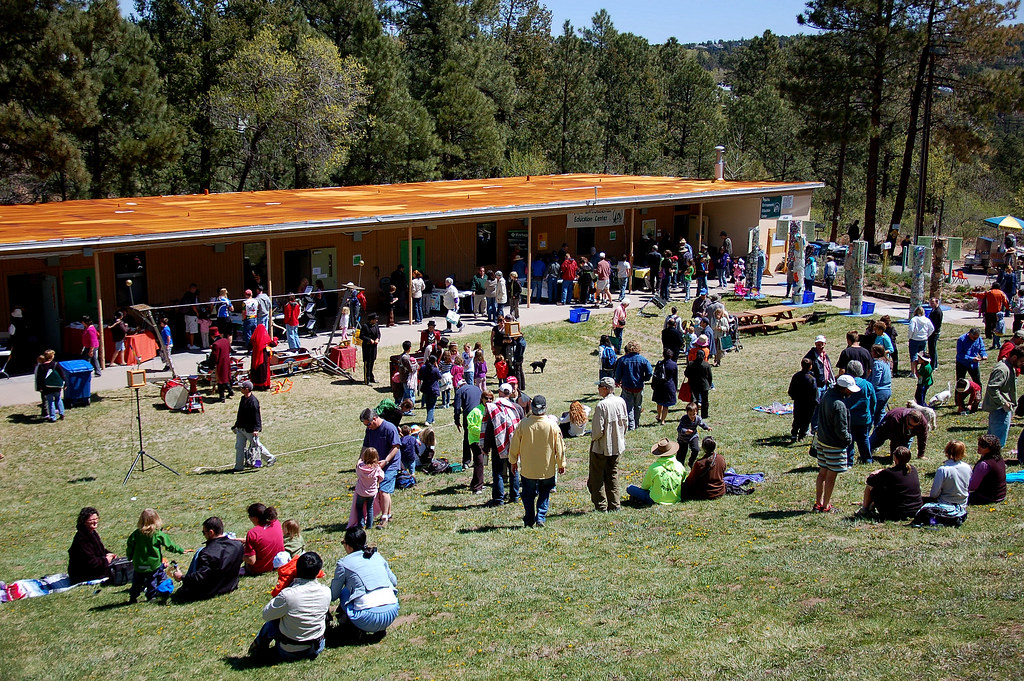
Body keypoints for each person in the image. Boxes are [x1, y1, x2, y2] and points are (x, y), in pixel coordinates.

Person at [248, 552, 330, 662]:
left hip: (289, 651)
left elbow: (266, 614)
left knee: (273, 622)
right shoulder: (326, 592)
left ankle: (258, 648)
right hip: (316, 647)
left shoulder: (288, 595)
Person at [329, 527, 400, 642]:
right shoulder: (377, 556)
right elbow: (394, 582)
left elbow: (333, 595)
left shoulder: (343, 563)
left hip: (366, 618)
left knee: (344, 592)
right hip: (391, 612)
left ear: (348, 546)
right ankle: (379, 629)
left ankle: (350, 626)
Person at [508, 395, 565, 528]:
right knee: (544, 492)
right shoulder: (552, 425)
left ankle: (529, 518)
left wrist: (513, 461)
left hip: (528, 468)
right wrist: (561, 463)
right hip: (547, 468)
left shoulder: (523, 424)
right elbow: (559, 446)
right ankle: (540, 517)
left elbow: (514, 444)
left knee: (528, 494)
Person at [171, 516, 245, 602]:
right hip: (230, 586)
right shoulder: (238, 546)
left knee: (199, 551)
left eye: (204, 532)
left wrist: (182, 577)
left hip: (209, 591)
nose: (204, 535)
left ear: (211, 532)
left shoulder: (207, 553)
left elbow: (201, 577)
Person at [811, 374, 857, 512]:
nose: (850, 392)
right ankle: (826, 505)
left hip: (822, 440)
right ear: (843, 389)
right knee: (831, 476)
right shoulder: (839, 405)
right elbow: (841, 429)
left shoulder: (827, 395)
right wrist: (848, 439)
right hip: (834, 444)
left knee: (822, 473)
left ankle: (818, 502)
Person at [126, 508, 185, 603]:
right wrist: (180, 550)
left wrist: (129, 556)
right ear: (156, 520)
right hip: (153, 564)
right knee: (151, 581)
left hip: (138, 564)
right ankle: (151, 596)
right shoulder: (157, 534)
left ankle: (133, 597)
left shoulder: (135, 534)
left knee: (137, 581)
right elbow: (169, 545)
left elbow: (130, 547)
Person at [588, 377, 628, 513]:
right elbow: (626, 424)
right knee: (612, 474)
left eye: (600, 386)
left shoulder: (602, 405)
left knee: (597, 476)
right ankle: (615, 504)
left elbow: (597, 431)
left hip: (601, 447)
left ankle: (601, 506)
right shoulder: (621, 401)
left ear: (606, 388)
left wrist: (593, 438)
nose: (598, 388)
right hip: (617, 445)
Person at [913, 440, 972, 525]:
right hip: (962, 503)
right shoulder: (967, 467)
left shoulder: (943, 470)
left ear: (947, 451)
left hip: (945, 503)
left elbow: (934, 494)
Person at [856, 446, 922, 521]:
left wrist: (874, 473)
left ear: (895, 459)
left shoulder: (889, 473)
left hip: (895, 513)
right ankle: (870, 506)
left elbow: (870, 480)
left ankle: (864, 509)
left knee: (871, 486)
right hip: (915, 510)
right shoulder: (913, 469)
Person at [482, 388, 522, 506]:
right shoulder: (516, 408)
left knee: (498, 473)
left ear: (499, 393)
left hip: (496, 444)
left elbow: (489, 429)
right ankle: (515, 496)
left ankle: (499, 499)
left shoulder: (493, 409)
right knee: (514, 470)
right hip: (513, 443)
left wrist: (485, 447)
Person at [982, 347, 1024, 446]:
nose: (1023, 364)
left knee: (994, 439)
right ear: (1014, 357)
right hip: (999, 409)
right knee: (997, 441)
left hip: (1003, 408)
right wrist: (1003, 402)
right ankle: (993, 460)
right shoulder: (1002, 369)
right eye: (1021, 361)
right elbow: (992, 388)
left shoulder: (1010, 368)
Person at [626, 439, 686, 505]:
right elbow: (683, 482)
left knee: (630, 488)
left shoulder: (654, 467)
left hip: (655, 500)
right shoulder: (680, 466)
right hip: (675, 499)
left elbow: (645, 487)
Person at [233, 381, 276, 470]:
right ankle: (238, 466)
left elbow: (257, 416)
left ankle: (269, 458)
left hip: (250, 429)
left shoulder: (253, 401)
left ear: (247, 389)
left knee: (256, 446)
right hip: (241, 428)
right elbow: (240, 414)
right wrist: (236, 425)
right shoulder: (242, 399)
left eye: (242, 388)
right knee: (239, 447)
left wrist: (256, 429)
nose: (240, 389)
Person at [68, 507, 116, 585]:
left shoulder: (92, 533)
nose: (95, 522)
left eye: (96, 519)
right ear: (84, 521)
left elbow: (100, 550)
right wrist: (106, 560)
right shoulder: (82, 538)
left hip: (94, 568)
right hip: (83, 574)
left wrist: (110, 554)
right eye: (91, 520)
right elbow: (90, 562)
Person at [614, 339, 654, 430]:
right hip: (639, 387)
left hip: (627, 386)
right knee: (638, 406)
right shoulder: (643, 360)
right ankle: (636, 423)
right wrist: (644, 379)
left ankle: (631, 425)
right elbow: (649, 372)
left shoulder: (622, 360)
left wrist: (618, 381)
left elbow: (618, 373)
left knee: (629, 406)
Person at [243, 503, 284, 576]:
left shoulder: (252, 533)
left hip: (260, 569)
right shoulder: (276, 523)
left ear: (254, 518)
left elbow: (251, 560)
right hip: (279, 563)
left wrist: (238, 554)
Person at [682, 436, 727, 501]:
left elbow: (690, 481)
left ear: (703, 447)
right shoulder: (721, 458)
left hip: (704, 493)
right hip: (720, 491)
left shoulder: (699, 463)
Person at [453, 374, 482, 469]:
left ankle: (466, 461)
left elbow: (457, 408)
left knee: (467, 438)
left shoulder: (459, 391)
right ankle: (480, 459)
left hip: (469, 416)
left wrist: (457, 421)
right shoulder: (477, 388)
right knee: (479, 436)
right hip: (480, 413)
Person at [968, 434, 1007, 505]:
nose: (979, 447)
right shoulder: (999, 459)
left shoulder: (984, 464)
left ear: (991, 448)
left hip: (987, 496)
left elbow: (972, 486)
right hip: (1001, 495)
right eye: (979, 444)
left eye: (983, 446)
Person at [789, 358, 817, 442]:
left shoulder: (796, 376)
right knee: (806, 420)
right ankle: (801, 435)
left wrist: (794, 397)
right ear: (810, 366)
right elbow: (814, 392)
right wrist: (815, 402)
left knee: (797, 418)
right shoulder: (811, 378)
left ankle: (794, 434)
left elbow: (791, 390)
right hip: (809, 403)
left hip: (798, 402)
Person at [684, 344, 713, 420]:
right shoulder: (706, 365)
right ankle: (705, 414)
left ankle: (695, 413)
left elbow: (686, 373)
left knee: (694, 400)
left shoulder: (691, 364)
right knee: (705, 401)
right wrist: (709, 384)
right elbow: (710, 376)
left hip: (694, 384)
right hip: (704, 385)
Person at [35, 348, 64, 422]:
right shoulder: (56, 364)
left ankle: (53, 417)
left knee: (50, 401)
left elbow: (39, 378)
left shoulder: (41, 366)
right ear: (52, 356)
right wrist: (65, 383)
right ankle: (61, 413)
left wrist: (40, 387)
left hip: (46, 387)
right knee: (58, 398)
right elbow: (62, 374)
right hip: (56, 386)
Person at [651, 347, 678, 425]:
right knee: (666, 405)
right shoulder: (674, 365)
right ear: (671, 355)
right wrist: (675, 387)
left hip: (659, 385)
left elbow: (655, 375)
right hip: (669, 385)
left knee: (659, 402)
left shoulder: (659, 363)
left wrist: (653, 384)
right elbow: (675, 377)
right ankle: (663, 420)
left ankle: (659, 416)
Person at [248, 322, 278, 390]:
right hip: (263, 357)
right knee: (264, 370)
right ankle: (264, 385)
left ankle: (255, 384)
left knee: (256, 370)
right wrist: (275, 339)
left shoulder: (254, 337)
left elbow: (249, 346)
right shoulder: (265, 337)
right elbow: (273, 344)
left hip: (255, 357)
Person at [209, 327, 234, 401]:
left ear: (212, 336)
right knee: (225, 378)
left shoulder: (216, 344)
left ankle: (222, 397)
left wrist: (211, 366)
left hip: (220, 363)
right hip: (227, 362)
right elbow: (229, 349)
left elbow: (214, 357)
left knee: (220, 380)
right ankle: (230, 390)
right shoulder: (226, 341)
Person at [908, 306, 934, 375]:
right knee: (922, 356)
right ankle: (922, 370)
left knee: (913, 356)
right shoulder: (927, 320)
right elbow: (932, 328)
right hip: (923, 339)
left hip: (914, 339)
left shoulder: (914, 320)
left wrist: (910, 336)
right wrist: (927, 335)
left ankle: (913, 372)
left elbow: (911, 329)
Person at [417, 354, 441, 425]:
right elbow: (439, 377)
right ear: (435, 362)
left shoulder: (423, 367)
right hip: (433, 389)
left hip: (425, 388)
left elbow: (420, 377)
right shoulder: (435, 369)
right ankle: (428, 420)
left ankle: (432, 419)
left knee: (428, 404)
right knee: (432, 406)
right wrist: (437, 368)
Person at [359, 312, 381, 384]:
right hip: (367, 347)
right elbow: (361, 336)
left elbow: (378, 333)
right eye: (375, 319)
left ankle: (371, 377)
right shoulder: (365, 326)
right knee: (367, 363)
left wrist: (377, 339)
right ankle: (367, 379)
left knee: (372, 361)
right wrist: (369, 340)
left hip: (374, 347)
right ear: (371, 320)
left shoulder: (376, 326)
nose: (376, 320)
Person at [928, 297, 943, 366]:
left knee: (932, 350)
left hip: (934, 333)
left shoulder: (938, 312)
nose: (931, 304)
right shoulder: (933, 310)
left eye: (933, 302)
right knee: (931, 349)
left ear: (937, 303)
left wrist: (932, 332)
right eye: (930, 302)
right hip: (931, 332)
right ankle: (934, 364)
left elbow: (936, 324)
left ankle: (933, 365)